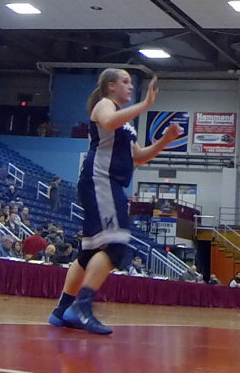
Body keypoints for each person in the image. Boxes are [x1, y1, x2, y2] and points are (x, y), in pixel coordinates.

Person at [47, 69, 182, 335]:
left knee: (88, 252)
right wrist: (145, 105)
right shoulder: (104, 105)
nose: (131, 86)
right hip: (101, 180)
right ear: (111, 86)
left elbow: (139, 157)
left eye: (132, 82)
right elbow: (108, 123)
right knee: (117, 244)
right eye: (126, 81)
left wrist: (165, 140)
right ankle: (82, 307)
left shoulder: (128, 124)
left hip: (109, 183)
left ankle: (61, 310)